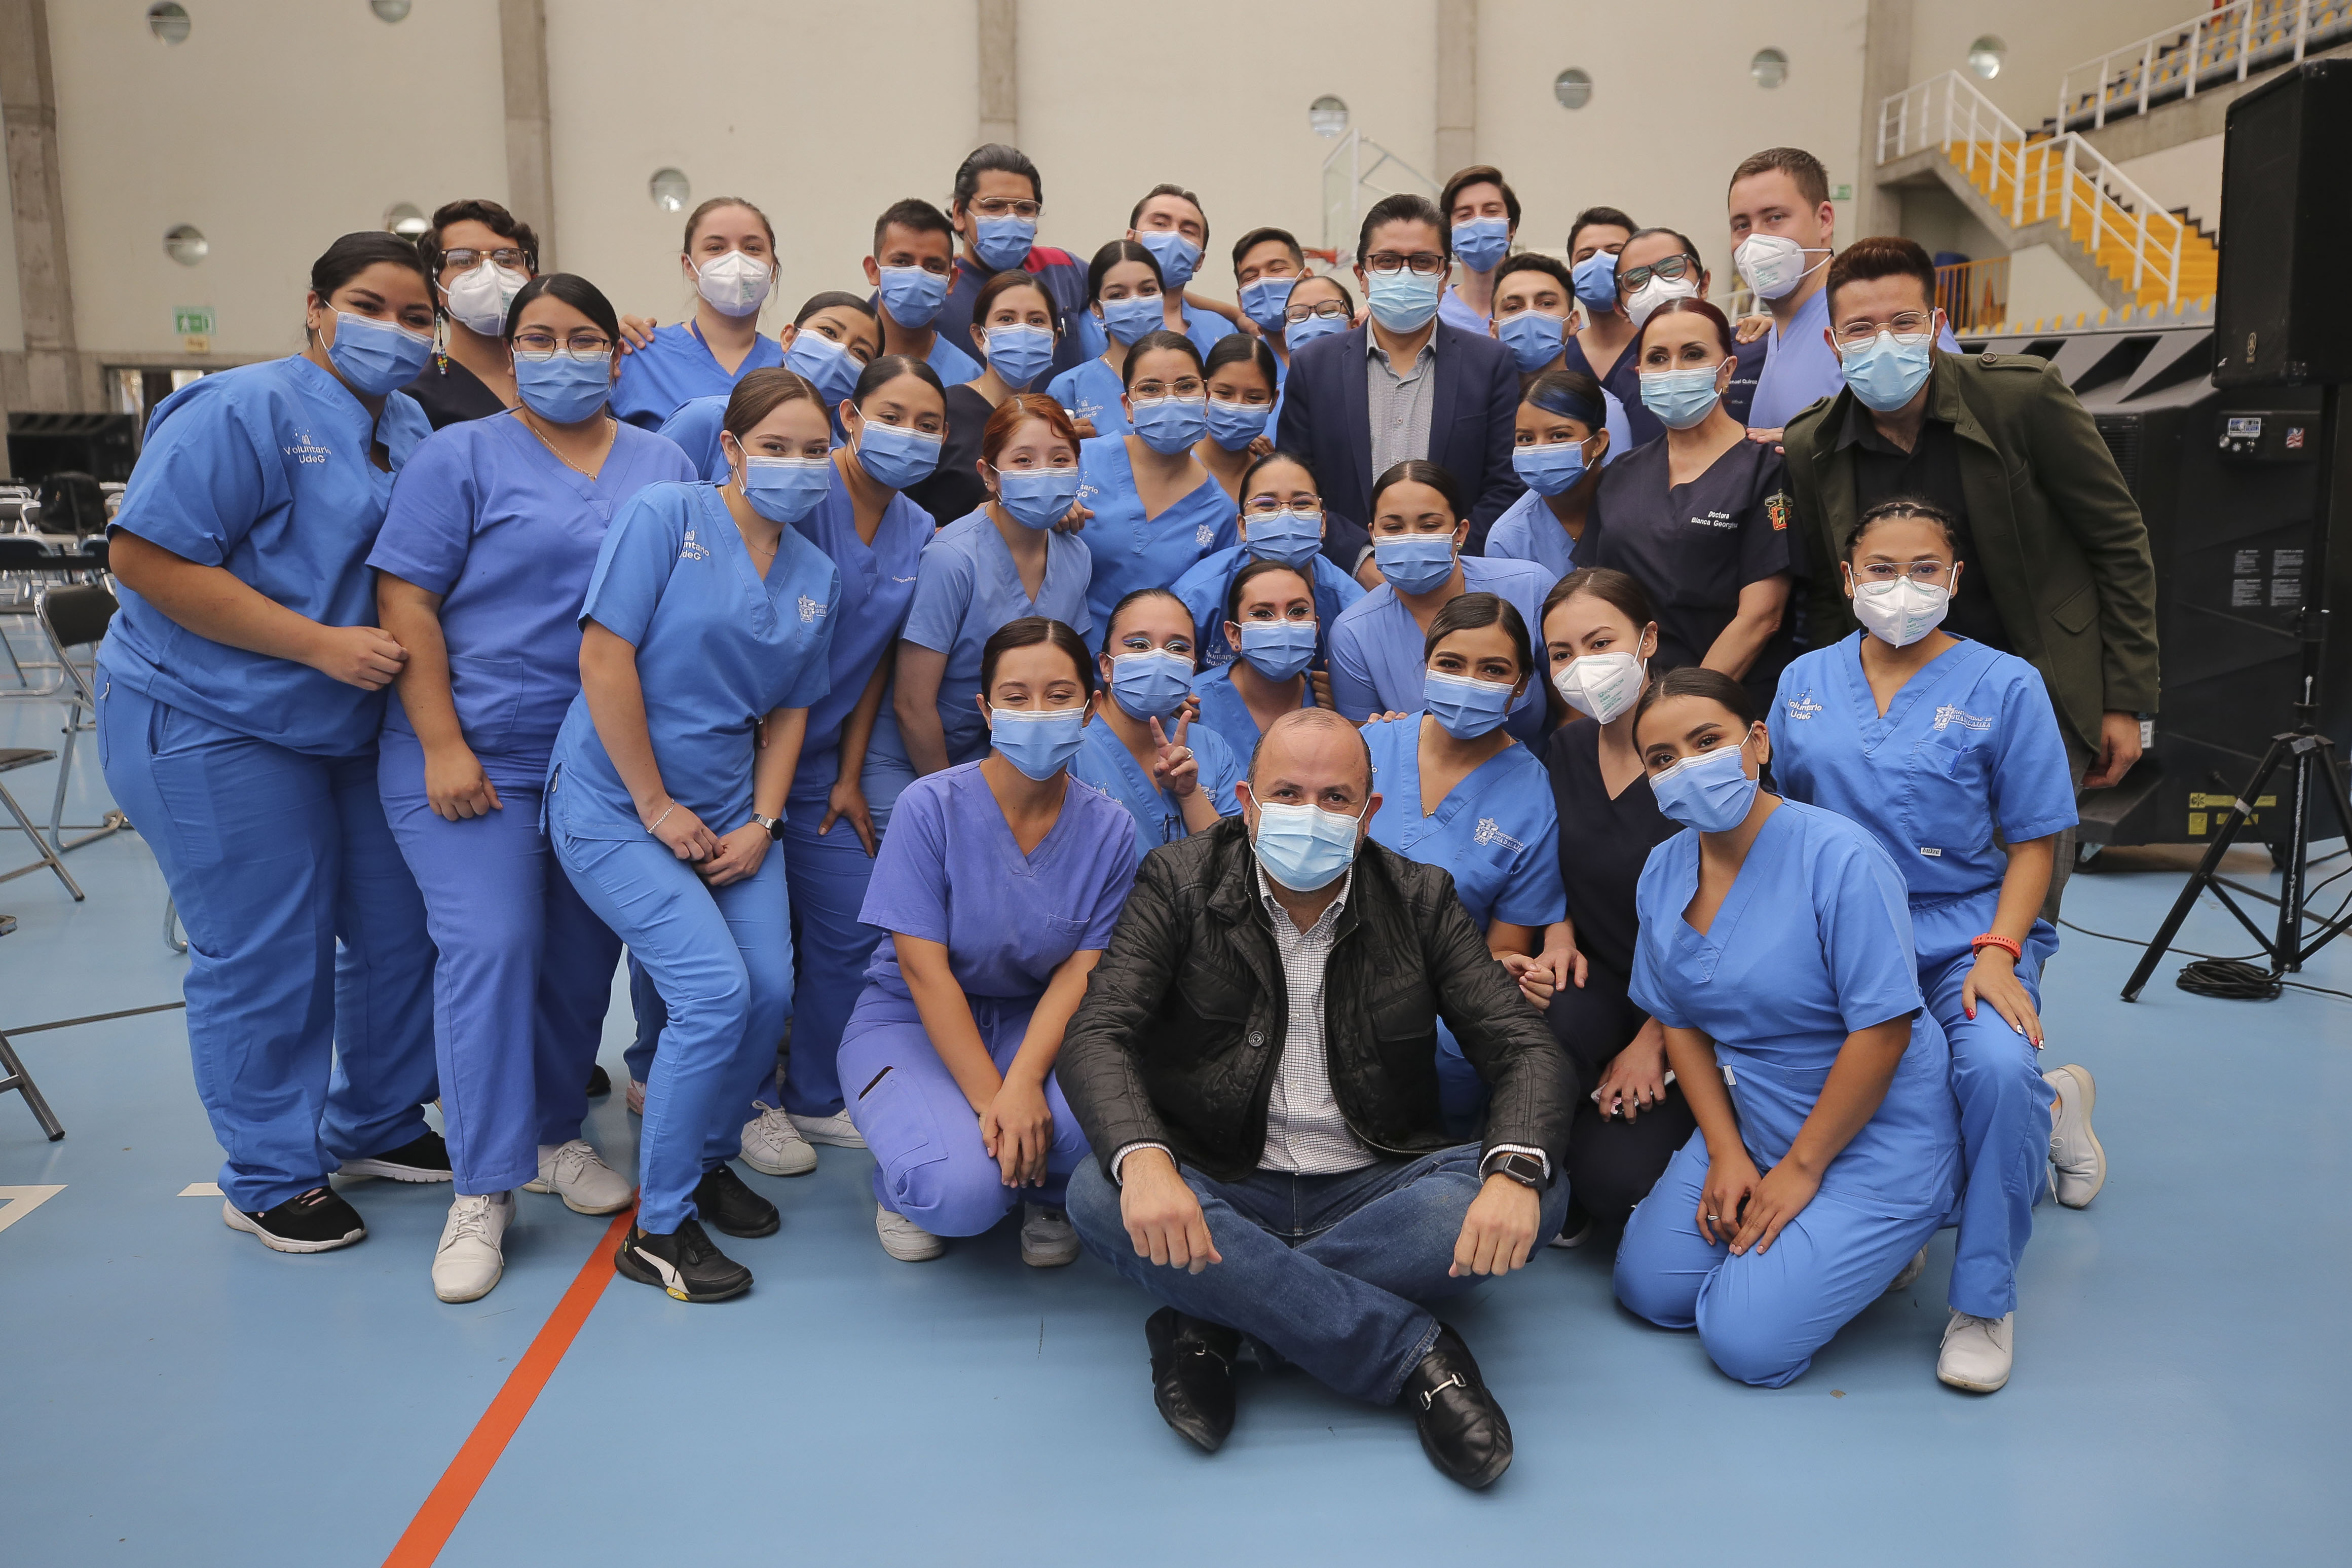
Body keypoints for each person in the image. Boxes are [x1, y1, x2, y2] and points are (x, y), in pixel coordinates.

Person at [1057, 707, 1574, 1487]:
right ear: (1246, 802)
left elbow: (1522, 1044)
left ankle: (1218, 1314)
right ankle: (1410, 1350)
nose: (1311, 813)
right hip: (1220, 1174)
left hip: (1374, 1181)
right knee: (1099, 1190)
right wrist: (1150, 1162)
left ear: (1368, 814)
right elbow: (1098, 1030)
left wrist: (1513, 1173)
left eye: (1335, 797)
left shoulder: (1422, 897)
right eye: (1287, 793)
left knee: (1538, 1187)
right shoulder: (1177, 879)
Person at [96, 232, 445, 1254]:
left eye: (416, 316)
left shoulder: (408, 421)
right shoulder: (239, 409)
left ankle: (375, 1118)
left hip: (343, 720)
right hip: (211, 713)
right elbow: (145, 558)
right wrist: (316, 644)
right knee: (268, 947)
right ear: (315, 306)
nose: (393, 330)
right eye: (368, 306)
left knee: (400, 924)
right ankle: (271, 1171)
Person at [371, 274, 692, 1300]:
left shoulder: (661, 462)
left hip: (599, 759)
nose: (563, 356)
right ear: (509, 354)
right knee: (494, 943)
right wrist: (442, 741)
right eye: (540, 338)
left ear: (617, 354)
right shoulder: (457, 456)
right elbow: (406, 600)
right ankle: (482, 1185)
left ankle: (553, 1131)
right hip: (474, 751)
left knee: (580, 957)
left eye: (585, 337)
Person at [1770, 498, 2106, 1393]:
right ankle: (2031, 1125)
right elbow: (1782, 822)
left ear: (1955, 578)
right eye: (1881, 568)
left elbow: (2035, 840)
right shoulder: (1803, 679)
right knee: (1844, 1074)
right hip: (1842, 934)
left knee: (1992, 1068)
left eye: (1924, 568)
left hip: (1966, 929)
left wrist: (1998, 950)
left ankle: (1984, 1298)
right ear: (1848, 578)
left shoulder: (2006, 684)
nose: (1902, 586)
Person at [546, 367, 839, 1303]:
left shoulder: (815, 576)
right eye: (776, 446)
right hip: (614, 807)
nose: (796, 464)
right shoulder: (665, 516)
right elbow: (604, 655)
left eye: (815, 449)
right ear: (733, 448)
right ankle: (660, 1227)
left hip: (730, 817)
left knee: (768, 990)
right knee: (712, 991)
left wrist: (761, 823)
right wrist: (653, 804)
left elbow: (790, 711)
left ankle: (707, 1155)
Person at [1782, 237, 2159, 913]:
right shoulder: (1813, 443)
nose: (1883, 341)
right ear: (1834, 344)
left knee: (2027, 892)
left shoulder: (2020, 398)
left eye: (1902, 322)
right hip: (1897, 702)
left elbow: (2117, 541)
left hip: (2036, 683)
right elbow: (1828, 590)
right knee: (1889, 891)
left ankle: (2004, 980)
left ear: (1935, 325)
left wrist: (2123, 697)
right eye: (1860, 328)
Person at [1612, 667, 1962, 1388]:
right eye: (1662, 757)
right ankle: (1809, 1252)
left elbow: (1883, 1032)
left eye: (1706, 741)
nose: (1688, 767)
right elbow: (1678, 1019)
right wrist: (1725, 1151)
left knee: (1744, 1341)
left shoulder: (1840, 858)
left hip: (1873, 1136)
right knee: (1649, 1289)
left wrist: (1801, 1170)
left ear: (1758, 741)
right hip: (1756, 1121)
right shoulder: (1662, 871)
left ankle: (1902, 1227)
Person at [841, 617, 1139, 1264]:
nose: (1038, 713)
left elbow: (1080, 973)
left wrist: (1026, 1082)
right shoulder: (929, 807)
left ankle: (1043, 1192)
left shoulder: (1111, 829)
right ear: (986, 709)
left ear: (1090, 707)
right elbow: (923, 972)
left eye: (1059, 696)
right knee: (961, 1196)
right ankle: (907, 1185)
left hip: (1035, 1022)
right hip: (911, 1018)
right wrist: (996, 1102)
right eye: (1016, 696)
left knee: (1094, 1134)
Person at [762, 355, 949, 1166]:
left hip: (822, 764)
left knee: (850, 929)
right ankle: (739, 1099)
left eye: (928, 424)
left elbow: (877, 658)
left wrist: (846, 773)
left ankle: (812, 1092)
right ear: (850, 416)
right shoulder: (804, 497)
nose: (908, 434)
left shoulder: (919, 527)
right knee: (749, 954)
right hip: (740, 755)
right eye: (892, 415)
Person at [1360, 595, 1570, 1129]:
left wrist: (1513, 974)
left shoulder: (1533, 796)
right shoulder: (1367, 746)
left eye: (1493, 670)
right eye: (1451, 664)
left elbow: (1503, 947)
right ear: (1426, 666)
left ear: (1522, 685)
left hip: (1441, 1006)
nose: (1469, 682)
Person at [1535, 569, 1692, 1243]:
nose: (1583, 666)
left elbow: (1729, 918)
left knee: (1612, 1184)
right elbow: (1549, 859)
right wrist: (1558, 933)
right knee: (1539, 1018)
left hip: (1691, 1001)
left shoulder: (1697, 752)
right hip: (1603, 978)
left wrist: (1653, 1041)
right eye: (1562, 653)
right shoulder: (1566, 748)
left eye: (1601, 644)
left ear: (1647, 639)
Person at [1276, 194, 1522, 551]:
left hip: (1459, 570)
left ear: (1444, 276)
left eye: (1423, 262)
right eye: (1387, 261)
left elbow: (1506, 485)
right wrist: (1360, 560)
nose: (1405, 273)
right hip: (1346, 575)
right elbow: (1297, 489)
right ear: (1361, 275)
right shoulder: (1313, 367)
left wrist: (1448, 556)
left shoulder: (1490, 364)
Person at [1585, 300, 1796, 708]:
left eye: (1693, 354)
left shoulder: (1767, 468)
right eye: (1657, 358)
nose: (1674, 370)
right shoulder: (1619, 474)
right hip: (1625, 700)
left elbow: (1761, 617)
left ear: (1727, 370)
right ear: (1640, 374)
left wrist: (1680, 709)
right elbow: (1597, 597)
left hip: (1723, 704)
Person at [887, 394, 1093, 777]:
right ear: (989, 474)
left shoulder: (1075, 556)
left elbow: (1073, 673)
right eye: (1024, 460)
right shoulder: (952, 559)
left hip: (1014, 755)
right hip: (917, 757)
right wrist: (949, 794)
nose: (1043, 472)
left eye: (1060, 459)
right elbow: (912, 705)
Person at [1729, 148, 1958, 438]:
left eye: (1775, 217)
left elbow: (1944, 436)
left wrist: (1812, 449)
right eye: (1742, 225)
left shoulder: (1884, 323)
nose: (1755, 240)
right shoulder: (1779, 333)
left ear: (1824, 220)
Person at [1329, 461, 1552, 742]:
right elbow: (1365, 748)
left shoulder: (1530, 587)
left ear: (1460, 533)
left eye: (1429, 526)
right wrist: (1392, 737)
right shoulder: (1354, 633)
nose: (1411, 538)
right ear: (1373, 535)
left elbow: (1572, 709)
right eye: (1394, 527)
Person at [1073, 330, 1238, 631]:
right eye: (1151, 389)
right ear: (1128, 406)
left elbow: (1208, 615)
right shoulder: (1077, 462)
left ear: (1206, 400)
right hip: (1061, 653)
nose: (1170, 400)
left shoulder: (1220, 513)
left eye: (1186, 387)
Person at [1069, 587, 1243, 861]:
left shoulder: (1211, 748)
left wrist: (1190, 796)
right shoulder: (1070, 749)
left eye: (1178, 648)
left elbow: (1233, 863)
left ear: (1192, 669)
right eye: (1139, 645)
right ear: (1106, 666)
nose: (1159, 659)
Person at [1171, 451, 1365, 669]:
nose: (1286, 514)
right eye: (1266, 504)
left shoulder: (1353, 609)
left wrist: (1342, 688)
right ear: (1243, 526)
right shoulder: (1196, 597)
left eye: (1302, 503)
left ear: (1322, 523)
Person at [903, 270, 1067, 526]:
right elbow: (899, 520)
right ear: (980, 335)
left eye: (1036, 321)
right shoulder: (943, 412)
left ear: (1054, 339)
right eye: (1006, 319)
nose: (1022, 330)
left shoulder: (1051, 422)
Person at [657, 293, 883, 477]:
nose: (840, 351)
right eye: (829, 332)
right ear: (789, 337)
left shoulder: (840, 462)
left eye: (860, 352)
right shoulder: (707, 418)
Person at [611, 197, 785, 431]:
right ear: (688, 266)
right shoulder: (636, 353)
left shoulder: (793, 365)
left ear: (773, 269)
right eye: (716, 248)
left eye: (752, 248)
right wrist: (598, 344)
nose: (736, 260)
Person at [937, 143, 1094, 383]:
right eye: (993, 206)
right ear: (959, 213)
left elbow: (1130, 288)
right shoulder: (937, 289)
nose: (1011, 218)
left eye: (1025, 208)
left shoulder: (1063, 270)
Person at [1609, 226, 1769, 446]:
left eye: (1672, 268)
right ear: (1620, 309)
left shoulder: (1759, 350)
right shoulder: (1625, 380)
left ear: (1704, 283)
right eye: (1636, 279)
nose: (1656, 285)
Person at [1484, 254, 1634, 462]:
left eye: (1546, 303)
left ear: (1573, 322)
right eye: (1513, 308)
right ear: (1493, 329)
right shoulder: (1480, 407)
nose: (1530, 315)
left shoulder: (1605, 409)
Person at [404, 198, 537, 428]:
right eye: (464, 260)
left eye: (507, 259)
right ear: (435, 289)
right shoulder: (412, 395)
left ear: (534, 279)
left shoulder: (566, 372)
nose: (491, 272)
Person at [1188, 558, 1325, 760]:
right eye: (1263, 614)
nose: (1283, 624)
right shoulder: (1192, 703)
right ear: (1234, 634)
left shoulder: (1333, 700)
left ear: (1316, 628)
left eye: (1297, 612)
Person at [1483, 368, 1612, 583]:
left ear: (1598, 443)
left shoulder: (1638, 506)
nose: (1540, 449)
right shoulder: (1509, 539)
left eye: (1559, 436)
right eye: (1526, 439)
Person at [1044, 240, 1168, 442]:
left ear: (1163, 296)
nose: (1135, 301)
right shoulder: (1069, 388)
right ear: (1096, 307)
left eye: (1147, 290)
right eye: (1117, 295)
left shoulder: (1188, 378)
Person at [864, 197, 984, 390]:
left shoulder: (970, 380)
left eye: (933, 266)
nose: (917, 276)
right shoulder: (846, 363)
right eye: (901, 262)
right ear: (873, 270)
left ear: (951, 281)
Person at [1126, 182, 1241, 357]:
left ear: (1200, 261)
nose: (1174, 235)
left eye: (1188, 231)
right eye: (1160, 223)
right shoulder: (1092, 320)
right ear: (1131, 238)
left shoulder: (1223, 331)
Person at [1191, 334, 1280, 501]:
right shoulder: (1175, 469)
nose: (1237, 406)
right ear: (1203, 391)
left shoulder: (1277, 478)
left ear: (1273, 401)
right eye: (1224, 393)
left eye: (1254, 398)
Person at [1560, 205, 1637, 397]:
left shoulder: (1659, 347)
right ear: (1571, 277)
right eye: (1587, 256)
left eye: (1615, 253)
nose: (1600, 262)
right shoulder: (1560, 355)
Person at [1436, 164, 1520, 333]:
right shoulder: (1433, 313)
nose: (1478, 222)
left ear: (1511, 227)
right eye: (1465, 215)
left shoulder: (1537, 309)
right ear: (1449, 231)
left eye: (1491, 211)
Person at [1230, 227, 1311, 379]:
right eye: (1250, 277)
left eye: (1277, 269)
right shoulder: (1244, 370)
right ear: (1241, 300)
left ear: (1307, 278)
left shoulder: (1344, 346)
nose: (1264, 281)